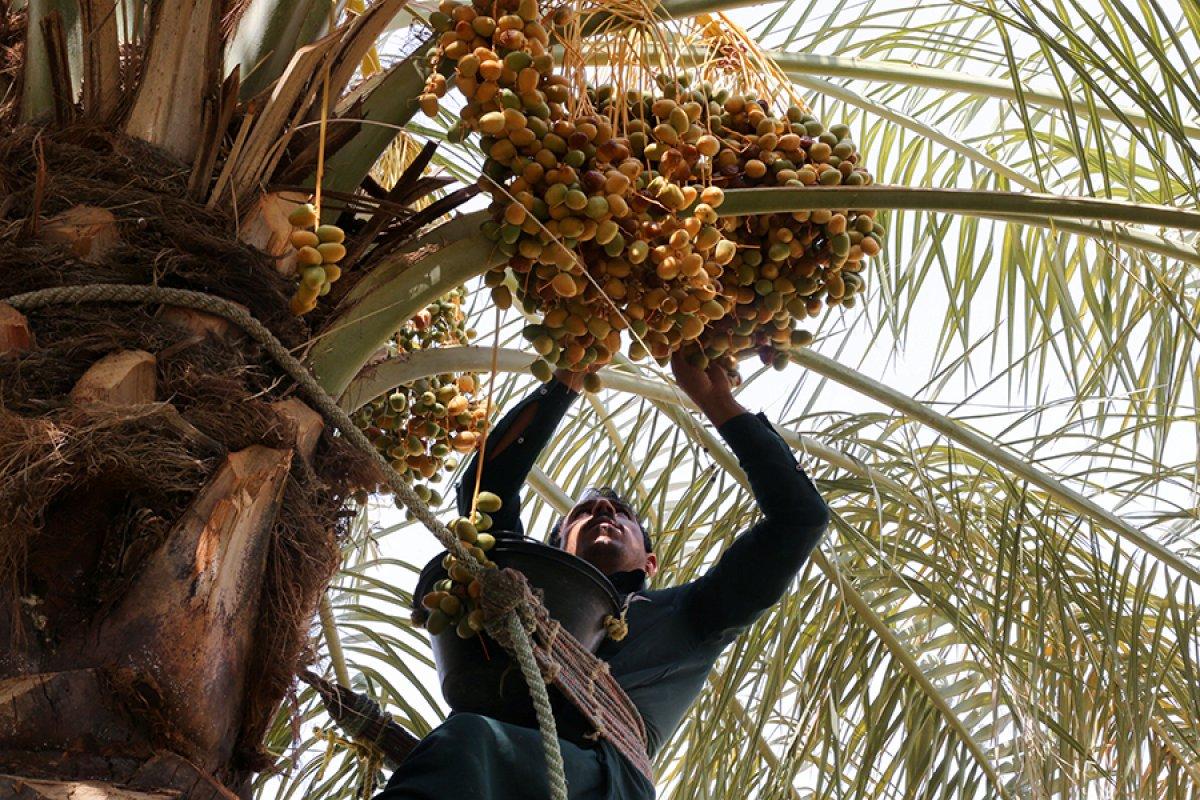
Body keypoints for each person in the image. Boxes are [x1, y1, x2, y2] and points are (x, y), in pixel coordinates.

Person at [376, 353, 829, 799]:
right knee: (464, 744)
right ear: (556, 548)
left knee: (470, 744)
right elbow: (484, 481)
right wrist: (566, 380)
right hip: (489, 764)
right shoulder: (521, 585)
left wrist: (716, 402)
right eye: (584, 512)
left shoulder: (692, 616)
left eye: (621, 514)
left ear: (650, 563)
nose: (604, 512)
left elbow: (799, 518)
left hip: (602, 780)